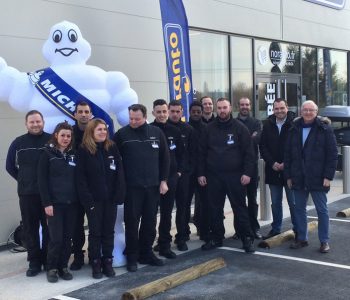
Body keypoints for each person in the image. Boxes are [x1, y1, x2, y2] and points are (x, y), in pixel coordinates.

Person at [114, 104, 170, 272]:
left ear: (145, 116)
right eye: (131, 118)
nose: (133, 121)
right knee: (131, 223)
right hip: (132, 189)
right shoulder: (122, 135)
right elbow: (114, 160)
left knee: (150, 222)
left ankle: (146, 253)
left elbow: (165, 159)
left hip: (152, 187)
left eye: (137, 119)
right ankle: (132, 256)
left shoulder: (156, 133)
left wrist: (164, 181)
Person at [198, 98, 255, 253]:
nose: (222, 111)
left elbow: (249, 154)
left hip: (235, 176)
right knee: (215, 209)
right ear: (216, 109)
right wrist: (201, 173)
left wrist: (247, 173)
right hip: (213, 176)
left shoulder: (240, 128)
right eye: (220, 108)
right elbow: (201, 153)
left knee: (240, 207)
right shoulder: (208, 129)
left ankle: (246, 238)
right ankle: (217, 237)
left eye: (225, 107)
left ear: (230, 108)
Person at [285, 100, 338, 253]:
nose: (308, 112)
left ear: (316, 112)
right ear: (301, 111)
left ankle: (324, 241)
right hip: (298, 177)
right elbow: (288, 154)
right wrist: (288, 175)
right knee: (299, 209)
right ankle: (302, 238)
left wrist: (328, 176)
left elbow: (332, 154)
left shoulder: (325, 129)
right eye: (305, 110)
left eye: (311, 110)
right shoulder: (294, 128)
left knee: (322, 210)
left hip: (319, 177)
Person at [76, 118, 125, 279]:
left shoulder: (112, 147)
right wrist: (87, 201)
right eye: (99, 130)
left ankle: (108, 261)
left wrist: (119, 193)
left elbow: (119, 172)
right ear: (91, 132)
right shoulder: (83, 150)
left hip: (110, 199)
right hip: (93, 201)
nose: (103, 132)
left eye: (105, 129)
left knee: (108, 232)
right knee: (96, 233)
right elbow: (80, 179)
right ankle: (95, 262)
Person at [6, 110, 50, 277]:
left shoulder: (51, 141)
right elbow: (10, 166)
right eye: (32, 122)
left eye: (38, 121)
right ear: (26, 124)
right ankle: (34, 261)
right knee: (30, 228)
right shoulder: (18, 143)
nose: (35, 124)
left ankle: (47, 259)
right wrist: (23, 179)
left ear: (43, 122)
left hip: (47, 195)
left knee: (48, 228)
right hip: (27, 194)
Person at [38, 122, 77, 283]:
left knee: (68, 238)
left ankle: (63, 266)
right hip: (54, 205)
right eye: (63, 135)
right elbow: (42, 181)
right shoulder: (47, 154)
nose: (66, 138)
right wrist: (47, 203)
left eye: (68, 136)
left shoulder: (74, 154)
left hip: (72, 204)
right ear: (56, 135)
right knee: (56, 239)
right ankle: (51, 268)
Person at [259, 98, 297, 240]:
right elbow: (263, 146)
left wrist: (286, 163)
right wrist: (272, 163)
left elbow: (297, 147)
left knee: (293, 202)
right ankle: (276, 229)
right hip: (273, 169)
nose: (279, 111)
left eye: (282, 108)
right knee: (275, 202)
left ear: (287, 107)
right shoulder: (267, 124)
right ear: (273, 110)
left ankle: (298, 228)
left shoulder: (295, 124)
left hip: (290, 171)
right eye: (276, 108)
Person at [151, 99, 184, 259]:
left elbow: (181, 154)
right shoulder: (148, 130)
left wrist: (177, 173)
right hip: (151, 181)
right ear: (153, 113)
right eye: (159, 112)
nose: (162, 114)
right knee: (150, 215)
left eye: (165, 111)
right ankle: (147, 246)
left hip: (170, 180)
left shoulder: (175, 131)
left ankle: (165, 245)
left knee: (166, 214)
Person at [168, 100, 196, 251]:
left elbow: (191, 153)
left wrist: (185, 171)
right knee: (165, 210)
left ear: (182, 112)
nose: (174, 114)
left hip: (183, 176)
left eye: (177, 111)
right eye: (172, 111)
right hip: (165, 177)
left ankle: (182, 236)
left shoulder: (188, 129)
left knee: (183, 207)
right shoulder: (158, 128)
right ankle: (164, 239)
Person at [233, 97, 262, 239]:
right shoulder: (233, 122)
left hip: (252, 167)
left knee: (252, 199)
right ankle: (239, 231)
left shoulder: (256, 123)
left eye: (247, 104)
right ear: (238, 106)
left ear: (250, 106)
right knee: (238, 201)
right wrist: (248, 138)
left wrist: (242, 140)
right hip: (236, 167)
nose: (244, 107)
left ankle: (254, 228)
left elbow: (256, 139)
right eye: (242, 104)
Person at [70, 101, 92, 270]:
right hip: (73, 189)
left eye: (86, 111)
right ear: (74, 114)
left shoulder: (97, 133)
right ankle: (78, 256)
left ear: (90, 114)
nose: (83, 114)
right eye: (80, 111)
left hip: (93, 189)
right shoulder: (67, 134)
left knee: (95, 224)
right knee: (76, 225)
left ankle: (94, 255)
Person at [187, 101, 209, 241]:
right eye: (193, 111)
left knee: (203, 203)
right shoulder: (183, 128)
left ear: (202, 112)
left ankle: (203, 229)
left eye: (198, 111)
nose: (196, 113)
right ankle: (184, 232)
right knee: (185, 203)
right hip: (187, 172)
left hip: (204, 171)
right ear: (189, 112)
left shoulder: (208, 128)